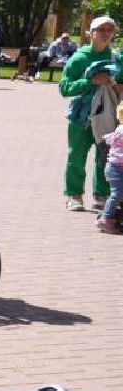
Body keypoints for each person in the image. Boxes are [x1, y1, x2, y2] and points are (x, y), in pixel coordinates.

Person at [59, 15, 120, 211]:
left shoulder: (116, 58)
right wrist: (90, 82)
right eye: (101, 30)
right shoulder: (80, 58)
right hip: (81, 117)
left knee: (106, 156)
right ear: (91, 34)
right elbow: (65, 88)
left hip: (108, 115)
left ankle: (101, 194)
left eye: (109, 30)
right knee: (77, 156)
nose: (105, 34)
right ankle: (74, 195)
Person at [99, 101, 123, 235]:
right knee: (117, 193)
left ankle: (112, 216)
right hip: (116, 168)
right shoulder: (121, 130)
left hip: (118, 167)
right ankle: (105, 218)